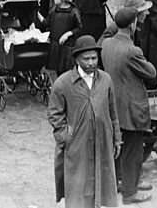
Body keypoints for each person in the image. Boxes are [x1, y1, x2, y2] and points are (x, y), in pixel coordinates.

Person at [47, 35, 121, 208]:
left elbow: (113, 112)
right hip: (76, 145)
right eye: (86, 59)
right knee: (78, 187)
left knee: (102, 182)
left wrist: (116, 138)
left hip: (103, 141)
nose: (91, 63)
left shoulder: (106, 80)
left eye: (94, 58)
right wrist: (67, 136)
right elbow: (54, 114)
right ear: (76, 59)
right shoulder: (63, 84)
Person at [100, 6, 156, 204]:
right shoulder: (132, 50)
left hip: (112, 104)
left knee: (117, 148)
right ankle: (130, 193)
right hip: (130, 107)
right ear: (132, 24)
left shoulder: (106, 44)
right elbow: (151, 73)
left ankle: (117, 183)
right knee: (133, 150)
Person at [46, 0, 82, 75]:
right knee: (57, 71)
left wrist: (68, 34)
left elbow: (79, 28)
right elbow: (47, 24)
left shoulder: (73, 11)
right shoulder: (54, 10)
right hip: (55, 46)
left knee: (67, 71)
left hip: (67, 48)